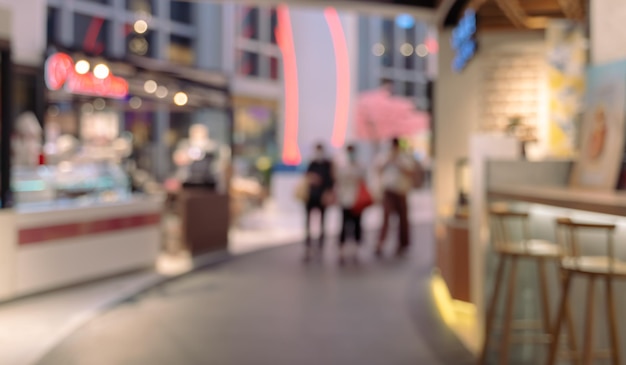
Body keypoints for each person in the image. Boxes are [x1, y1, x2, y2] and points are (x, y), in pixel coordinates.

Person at [376, 137, 414, 258]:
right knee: (386, 218)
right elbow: (378, 170)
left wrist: (398, 163)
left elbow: (410, 172)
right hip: (389, 191)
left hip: (401, 191)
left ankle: (402, 244)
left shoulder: (404, 158)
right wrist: (389, 161)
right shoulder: (385, 157)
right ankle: (380, 243)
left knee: (402, 219)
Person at [335, 144, 366, 264]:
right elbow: (338, 180)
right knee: (344, 225)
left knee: (357, 224)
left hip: (357, 200)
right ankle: (342, 249)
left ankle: (356, 249)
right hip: (345, 200)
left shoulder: (360, 166)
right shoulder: (342, 166)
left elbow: (363, 179)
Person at [303, 143, 334, 260]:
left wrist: (327, 192)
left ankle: (321, 245)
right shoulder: (312, 164)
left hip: (322, 197)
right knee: (308, 222)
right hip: (311, 197)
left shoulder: (327, 164)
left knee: (322, 222)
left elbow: (330, 180)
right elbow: (306, 177)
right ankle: (308, 245)